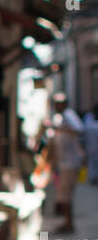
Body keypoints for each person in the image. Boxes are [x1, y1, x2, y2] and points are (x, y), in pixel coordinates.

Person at [47, 93, 84, 231]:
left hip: (70, 163)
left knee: (65, 195)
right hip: (65, 163)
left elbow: (78, 129)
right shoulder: (60, 117)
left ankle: (68, 224)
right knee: (64, 195)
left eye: (58, 103)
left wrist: (60, 129)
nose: (56, 106)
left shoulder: (68, 115)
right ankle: (67, 223)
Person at [82, 105, 98, 185]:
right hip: (92, 147)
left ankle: (93, 178)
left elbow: (85, 136)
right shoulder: (91, 124)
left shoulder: (89, 124)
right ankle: (94, 178)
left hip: (90, 147)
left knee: (92, 164)